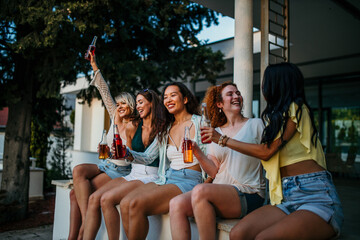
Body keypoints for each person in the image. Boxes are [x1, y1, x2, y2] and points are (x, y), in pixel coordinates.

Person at [204, 63, 343, 239]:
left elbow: (266, 152)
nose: (263, 86)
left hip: (315, 195)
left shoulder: (296, 108)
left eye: (265, 81)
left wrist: (223, 140)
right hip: (287, 196)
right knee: (238, 233)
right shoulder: (274, 120)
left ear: (277, 83)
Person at [169, 82, 266, 240]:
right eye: (230, 94)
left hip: (249, 192)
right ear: (220, 104)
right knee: (175, 203)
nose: (236, 96)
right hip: (220, 192)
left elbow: (266, 153)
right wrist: (197, 151)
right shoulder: (216, 132)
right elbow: (214, 170)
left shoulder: (256, 124)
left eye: (238, 93)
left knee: (200, 190)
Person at [119, 82, 206, 240]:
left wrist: (208, 187)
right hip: (166, 178)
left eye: (173, 95)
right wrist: (127, 153)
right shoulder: (167, 129)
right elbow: (148, 157)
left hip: (189, 179)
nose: (168, 99)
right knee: (126, 203)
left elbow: (213, 159)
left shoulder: (200, 123)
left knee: (136, 205)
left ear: (185, 99)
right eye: (165, 97)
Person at [82, 89, 166, 240]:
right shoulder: (134, 126)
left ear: (152, 103)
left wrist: (128, 154)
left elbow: (148, 157)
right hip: (134, 172)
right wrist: (114, 154)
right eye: (137, 103)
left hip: (151, 175)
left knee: (112, 200)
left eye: (141, 102)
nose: (138, 106)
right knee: (98, 198)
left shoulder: (162, 127)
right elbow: (128, 157)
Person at [68, 52, 136, 240]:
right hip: (106, 165)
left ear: (131, 107)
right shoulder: (115, 116)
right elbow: (104, 91)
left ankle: (79, 233)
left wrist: (122, 152)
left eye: (124, 104)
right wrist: (94, 64)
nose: (120, 106)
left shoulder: (134, 126)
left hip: (121, 171)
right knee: (78, 170)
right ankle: (83, 222)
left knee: (76, 194)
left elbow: (133, 153)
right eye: (119, 103)